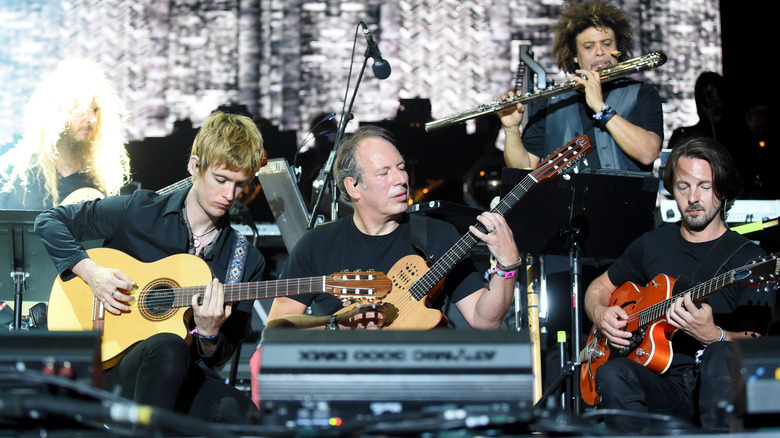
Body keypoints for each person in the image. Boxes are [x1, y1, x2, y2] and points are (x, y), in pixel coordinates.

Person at [34, 111, 266, 425]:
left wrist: (209, 334)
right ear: (195, 166)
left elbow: (218, 355)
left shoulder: (244, 259)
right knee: (168, 348)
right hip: (109, 365)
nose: (230, 195)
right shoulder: (139, 210)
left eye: (241, 185)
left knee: (244, 417)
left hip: (181, 374)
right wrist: (93, 273)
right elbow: (50, 221)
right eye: (221, 180)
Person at [497, 0, 664, 396]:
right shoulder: (551, 101)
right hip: (564, 240)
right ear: (574, 56)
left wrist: (601, 108)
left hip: (627, 243)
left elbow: (647, 151)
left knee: (624, 336)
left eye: (607, 44)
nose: (601, 53)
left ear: (618, 48)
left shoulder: (641, 94)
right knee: (562, 339)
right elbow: (526, 168)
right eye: (590, 46)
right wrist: (512, 129)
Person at [584, 137, 775, 433]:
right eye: (684, 187)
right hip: (663, 385)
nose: (693, 198)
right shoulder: (651, 244)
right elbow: (599, 287)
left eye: (704, 186)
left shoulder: (750, 258)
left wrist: (714, 335)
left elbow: (760, 346)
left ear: (722, 191)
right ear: (672, 190)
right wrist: (600, 313)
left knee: (721, 354)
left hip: (720, 386)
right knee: (612, 372)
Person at [265, 125, 520, 330]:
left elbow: (485, 320)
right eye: (383, 172)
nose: (400, 179)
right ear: (353, 186)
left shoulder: (437, 235)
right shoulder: (317, 244)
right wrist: (337, 325)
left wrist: (507, 266)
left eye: (400, 168)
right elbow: (279, 327)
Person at [0, 58, 131, 209]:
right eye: (83, 109)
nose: (92, 119)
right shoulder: (12, 170)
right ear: (57, 110)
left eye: (95, 110)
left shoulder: (102, 179)